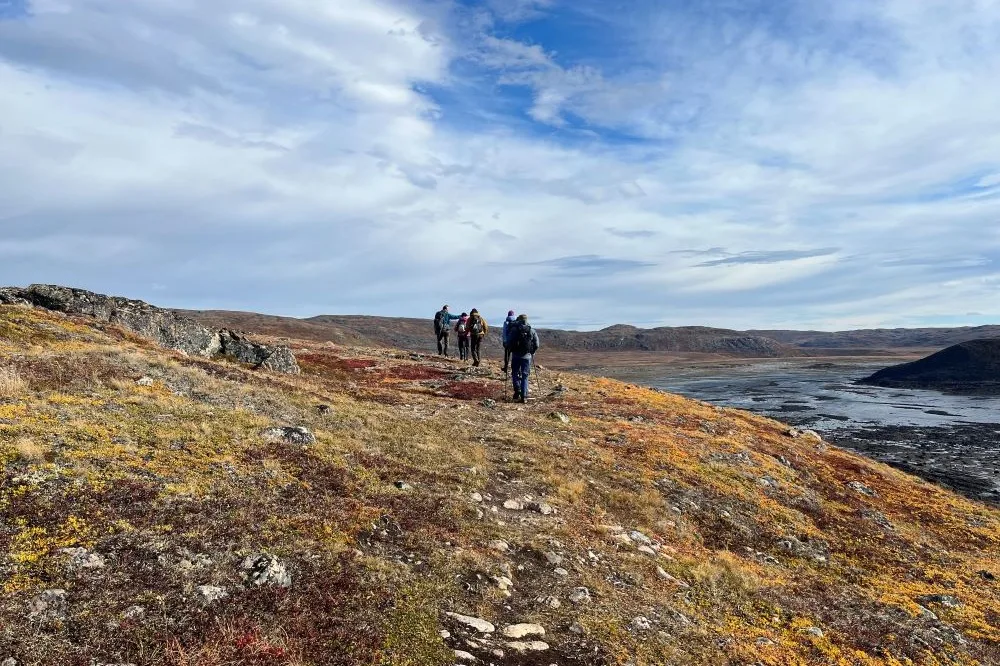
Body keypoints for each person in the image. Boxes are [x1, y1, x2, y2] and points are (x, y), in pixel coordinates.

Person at [507, 314, 539, 403]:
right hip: (527, 356)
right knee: (525, 376)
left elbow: (508, 341)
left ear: (519, 320)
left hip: (516, 355)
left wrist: (510, 349)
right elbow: (537, 344)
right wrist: (532, 351)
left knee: (514, 373)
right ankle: (524, 396)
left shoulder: (514, 329)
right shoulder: (531, 330)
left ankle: (517, 390)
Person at [501, 310, 516, 374]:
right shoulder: (516, 322)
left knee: (507, 355)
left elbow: (504, 333)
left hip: (507, 341)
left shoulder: (506, 322)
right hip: (514, 342)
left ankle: (506, 368)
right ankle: (514, 369)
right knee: (514, 355)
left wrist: (504, 341)